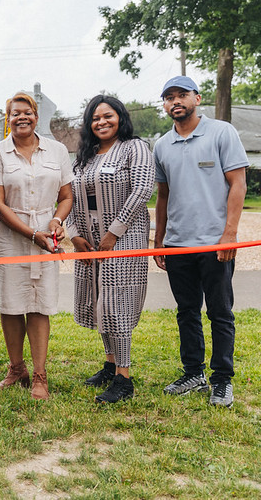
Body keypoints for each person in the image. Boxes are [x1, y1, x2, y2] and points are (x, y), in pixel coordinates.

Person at [153, 76, 248, 408]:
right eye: (169, 97)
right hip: (178, 244)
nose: (175, 101)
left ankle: (222, 379)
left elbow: (238, 184)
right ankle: (193, 373)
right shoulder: (162, 144)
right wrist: (160, 237)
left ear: (197, 98)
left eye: (182, 95)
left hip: (214, 243)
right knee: (187, 312)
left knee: (220, 313)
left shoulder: (222, 133)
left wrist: (230, 234)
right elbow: (163, 195)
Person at [0, 92, 73, 400]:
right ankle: (16, 367)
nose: (22, 117)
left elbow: (66, 196)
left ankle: (40, 375)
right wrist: (32, 234)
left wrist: (57, 222)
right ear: (7, 119)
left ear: (37, 116)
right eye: (15, 113)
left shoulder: (57, 150)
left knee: (39, 305)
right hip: (9, 239)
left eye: (27, 112)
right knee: (11, 304)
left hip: (47, 238)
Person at [67, 96, 154, 404]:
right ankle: (109, 364)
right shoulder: (86, 155)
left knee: (116, 303)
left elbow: (143, 188)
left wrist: (114, 232)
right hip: (90, 238)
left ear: (121, 117)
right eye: (95, 118)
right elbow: (70, 196)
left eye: (108, 116)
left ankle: (124, 377)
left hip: (124, 236)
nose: (101, 122)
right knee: (98, 301)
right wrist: (73, 233)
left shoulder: (134, 147)